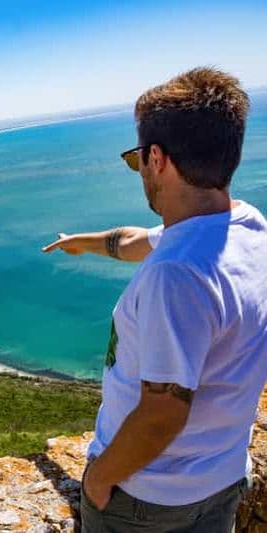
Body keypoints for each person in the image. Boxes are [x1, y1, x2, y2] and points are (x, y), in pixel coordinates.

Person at [43, 68, 266, 532]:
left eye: (136, 160)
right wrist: (79, 242)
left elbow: (163, 412)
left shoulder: (176, 274)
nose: (138, 170)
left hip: (148, 499)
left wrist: (99, 480)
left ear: (158, 159)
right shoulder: (246, 226)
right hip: (221, 478)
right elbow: (134, 241)